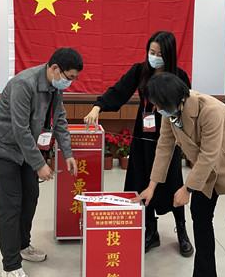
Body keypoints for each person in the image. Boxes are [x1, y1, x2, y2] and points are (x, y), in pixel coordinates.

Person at [133, 72, 225, 277]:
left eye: (157, 104)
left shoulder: (209, 109)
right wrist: (152, 186)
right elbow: (164, 147)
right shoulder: (170, 113)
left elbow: (209, 155)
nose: (156, 109)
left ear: (170, 99)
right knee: (200, 217)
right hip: (207, 170)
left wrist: (187, 189)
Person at [83, 31, 193, 257]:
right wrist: (97, 107)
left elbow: (186, 108)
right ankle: (151, 231)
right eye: (151, 52)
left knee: (172, 179)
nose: (154, 57)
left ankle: (181, 230)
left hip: (169, 134)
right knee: (142, 177)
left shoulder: (179, 75)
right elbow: (118, 91)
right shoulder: (139, 70)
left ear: (169, 55)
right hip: (143, 134)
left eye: (160, 54)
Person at [0, 47, 83, 277]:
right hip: (4, 148)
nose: (70, 83)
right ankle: (10, 265)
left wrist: (67, 153)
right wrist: (39, 164)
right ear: (55, 68)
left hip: (27, 150)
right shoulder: (24, 84)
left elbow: (59, 119)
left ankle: (22, 245)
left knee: (30, 198)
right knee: (10, 205)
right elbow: (20, 129)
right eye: (69, 77)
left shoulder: (55, 86)